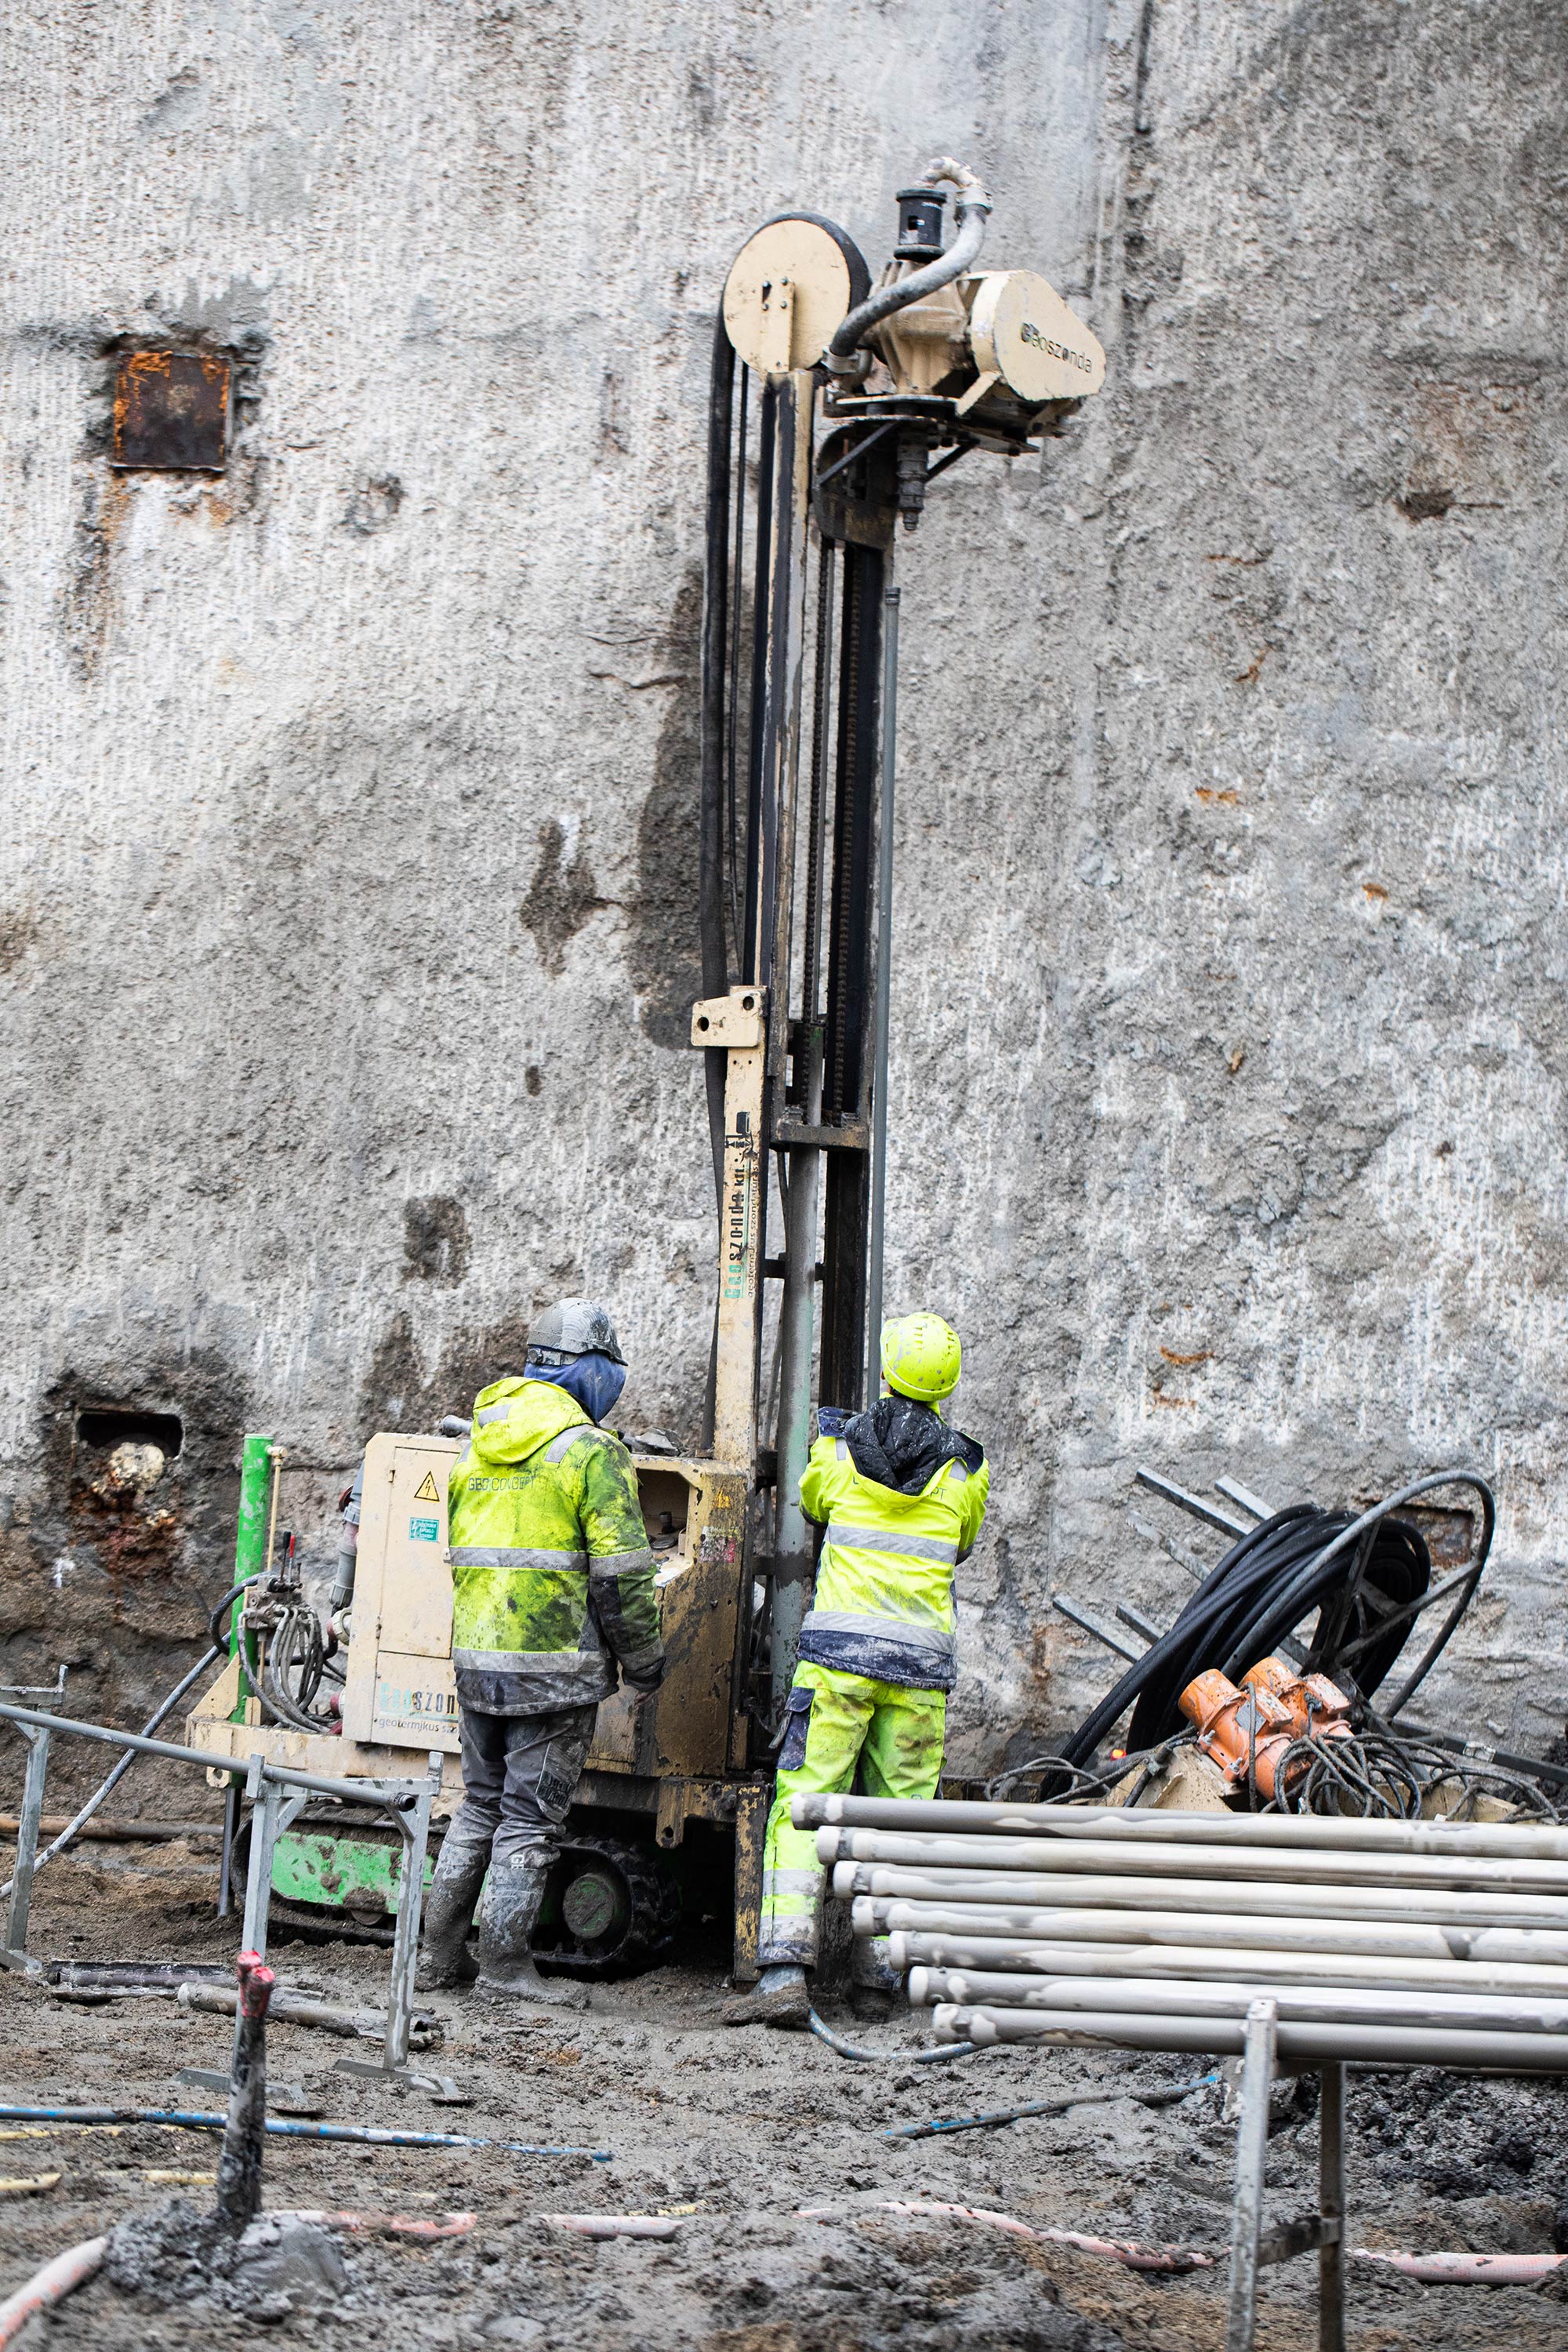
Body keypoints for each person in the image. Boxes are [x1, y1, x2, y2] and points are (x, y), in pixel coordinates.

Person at [728, 1312, 989, 2026]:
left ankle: (784, 1968)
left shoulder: (840, 1450)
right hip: (918, 1672)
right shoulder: (967, 1469)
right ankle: (878, 1982)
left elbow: (810, 1502)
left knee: (805, 1806)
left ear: (886, 1369)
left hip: (838, 1666)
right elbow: (962, 1542)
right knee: (898, 1820)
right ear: (949, 1383)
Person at [418, 1298, 664, 2005]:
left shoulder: (477, 1445)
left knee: (477, 1808)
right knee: (528, 1821)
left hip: (479, 1665)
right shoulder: (591, 1452)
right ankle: (503, 1968)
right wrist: (645, 1662)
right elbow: (623, 1577)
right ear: (589, 1369)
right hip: (554, 1673)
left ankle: (439, 1962)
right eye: (612, 1368)